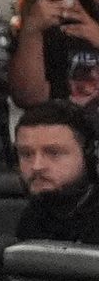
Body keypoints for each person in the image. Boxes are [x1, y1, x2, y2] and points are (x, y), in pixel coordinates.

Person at [14, 104, 95, 247]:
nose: (37, 166)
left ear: (88, 156)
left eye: (53, 153)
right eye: (26, 154)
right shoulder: (32, 216)